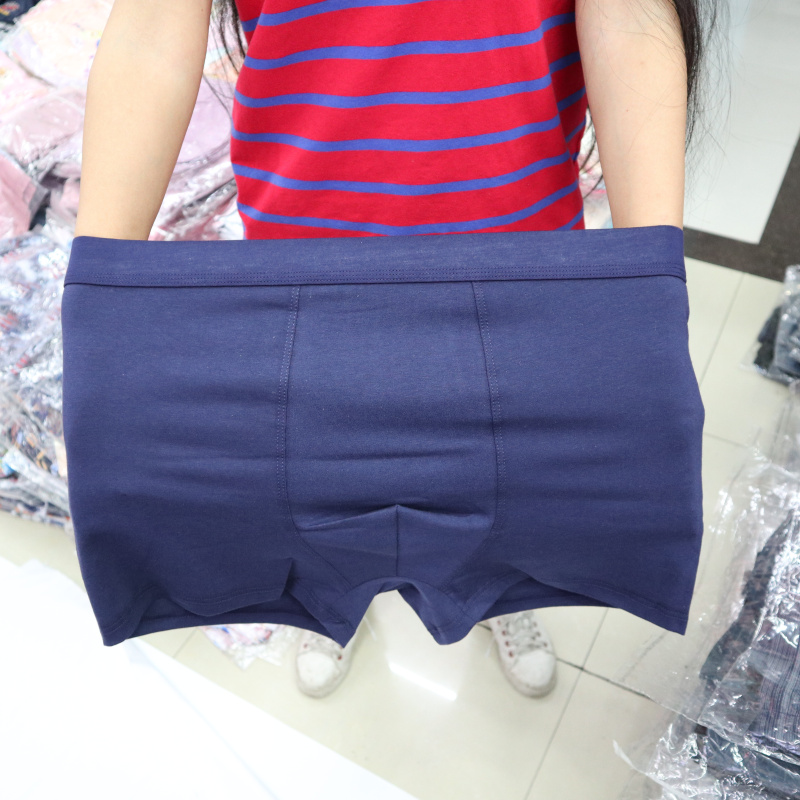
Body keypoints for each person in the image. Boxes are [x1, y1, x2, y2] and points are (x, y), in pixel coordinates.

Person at [73, 0, 722, 699]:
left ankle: (504, 595)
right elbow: (151, 31)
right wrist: (100, 296)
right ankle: (326, 606)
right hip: (302, 265)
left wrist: (649, 283)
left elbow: (629, 18)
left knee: (515, 511)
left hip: (522, 264)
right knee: (318, 500)